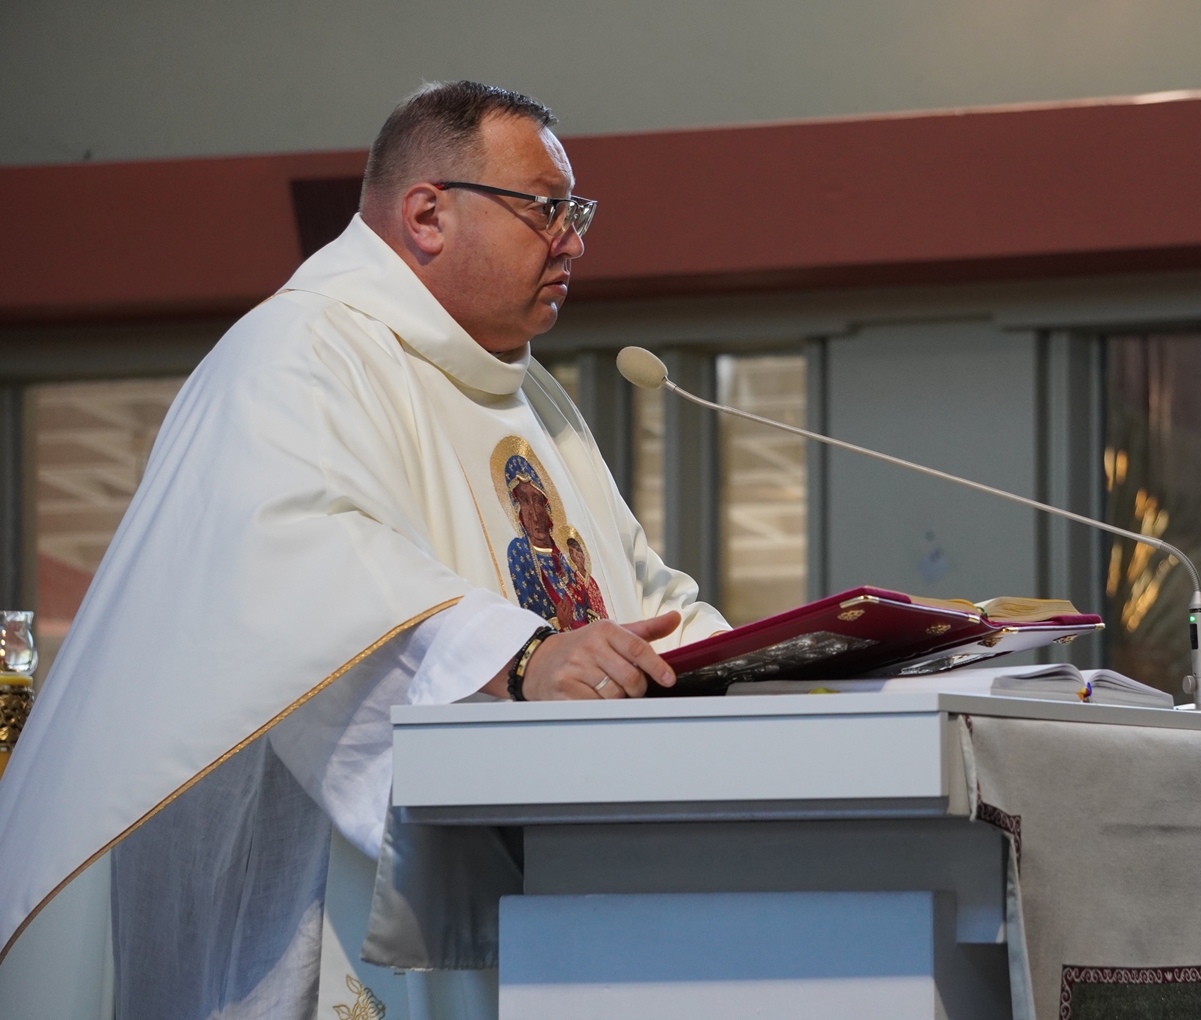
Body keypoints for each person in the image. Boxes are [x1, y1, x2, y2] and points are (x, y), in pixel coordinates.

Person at [0, 81, 727, 1019]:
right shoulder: (295, 352)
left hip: (533, 895)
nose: (573, 241)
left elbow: (639, 595)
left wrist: (776, 664)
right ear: (427, 214)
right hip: (308, 907)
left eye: (575, 213)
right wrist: (524, 657)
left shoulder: (535, 402)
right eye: (547, 208)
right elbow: (296, 560)